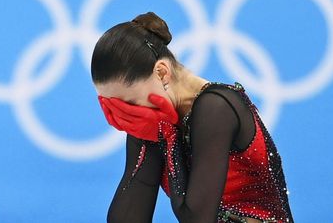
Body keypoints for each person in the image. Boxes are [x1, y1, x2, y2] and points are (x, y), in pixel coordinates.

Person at [91, 12, 294, 223]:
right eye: (114, 106)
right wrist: (151, 137)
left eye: (129, 103)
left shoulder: (216, 107)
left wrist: (169, 139)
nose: (127, 113)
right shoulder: (153, 120)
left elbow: (197, 219)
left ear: (161, 73)